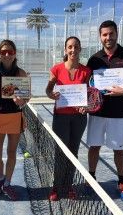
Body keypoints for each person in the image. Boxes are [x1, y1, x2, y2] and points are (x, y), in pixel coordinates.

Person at [86, 20, 123, 202]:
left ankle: (121, 182)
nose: (108, 38)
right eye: (104, 34)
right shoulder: (94, 59)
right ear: (100, 36)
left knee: (119, 150)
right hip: (97, 112)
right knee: (94, 147)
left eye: (111, 34)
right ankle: (92, 178)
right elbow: (87, 84)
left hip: (119, 113)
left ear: (117, 33)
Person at [45, 36, 92, 201]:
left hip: (79, 118)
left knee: (73, 152)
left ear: (80, 49)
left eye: (76, 47)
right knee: (60, 153)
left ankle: (69, 185)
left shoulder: (87, 71)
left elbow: (91, 95)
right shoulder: (56, 69)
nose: (73, 50)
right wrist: (52, 95)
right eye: (70, 47)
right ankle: (56, 186)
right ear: (65, 50)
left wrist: (86, 106)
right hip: (61, 118)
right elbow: (48, 91)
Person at [0, 39, 28, 201]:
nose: (7, 55)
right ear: (0, 54)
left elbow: (27, 97)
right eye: (4, 52)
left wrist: (22, 101)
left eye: (10, 52)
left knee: (11, 152)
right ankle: (1, 178)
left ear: (15, 53)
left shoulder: (21, 73)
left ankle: (8, 183)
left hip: (14, 117)